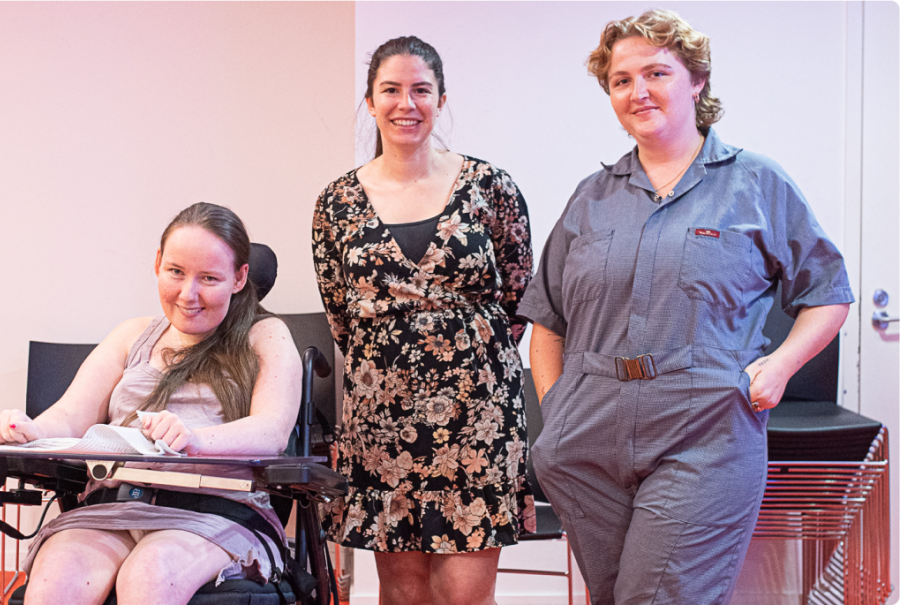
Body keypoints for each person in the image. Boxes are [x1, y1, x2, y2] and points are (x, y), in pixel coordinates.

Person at [516, 9, 853, 605]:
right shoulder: (591, 198)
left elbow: (827, 294)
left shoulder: (756, 182)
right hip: (588, 429)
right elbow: (547, 319)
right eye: (622, 80)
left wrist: (777, 369)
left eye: (657, 73)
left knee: (663, 596)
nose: (638, 92)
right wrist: (557, 408)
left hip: (705, 427)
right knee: (616, 596)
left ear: (696, 80)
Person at [0, 203, 302, 605]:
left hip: (216, 509)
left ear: (239, 278)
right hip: (113, 505)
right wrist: (28, 430)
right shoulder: (131, 335)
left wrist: (193, 439)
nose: (189, 294)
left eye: (209, 278)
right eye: (176, 272)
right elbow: (70, 415)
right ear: (157, 263)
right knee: (55, 584)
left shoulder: (265, 335)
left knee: (149, 576)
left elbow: (272, 430)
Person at [312, 35, 535, 605]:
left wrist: (456, 347)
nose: (405, 104)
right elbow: (341, 313)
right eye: (391, 89)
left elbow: (515, 297)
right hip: (380, 414)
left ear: (441, 99)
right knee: (403, 590)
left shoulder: (492, 187)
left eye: (421, 90)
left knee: (464, 590)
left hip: (477, 414)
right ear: (370, 101)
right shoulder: (335, 204)